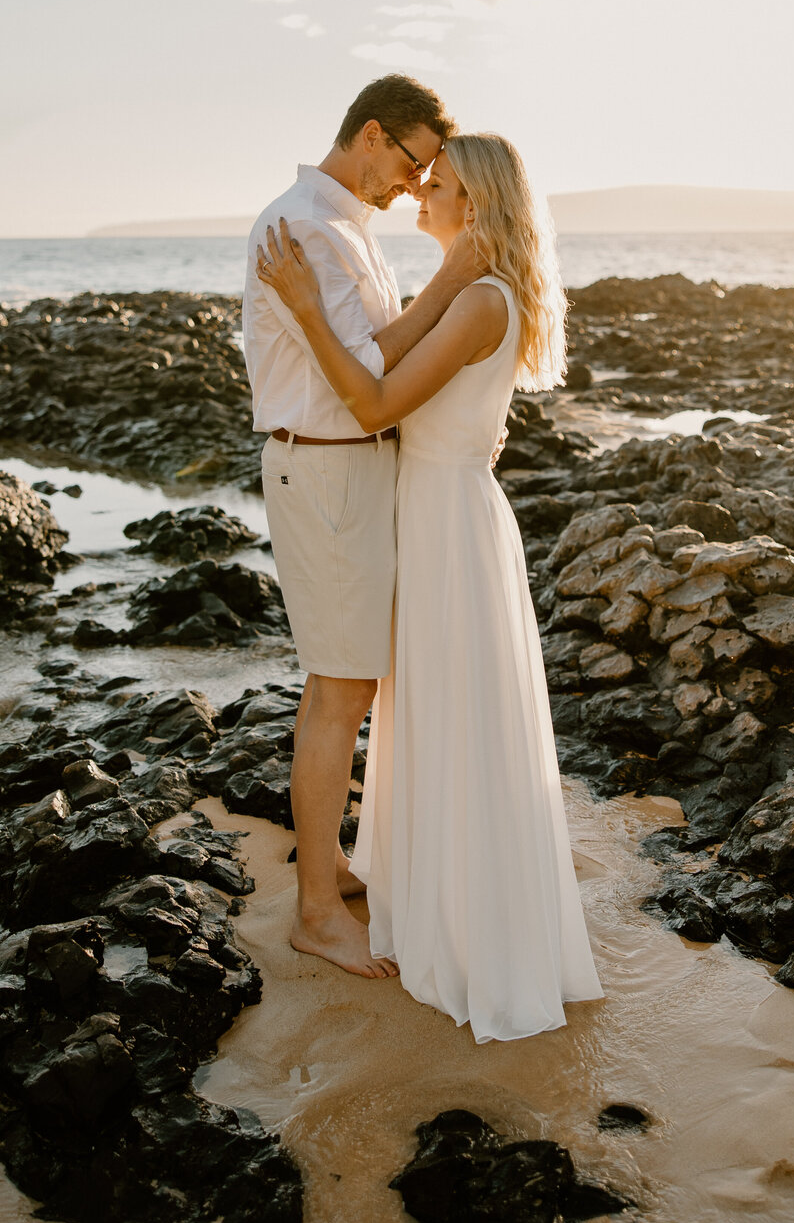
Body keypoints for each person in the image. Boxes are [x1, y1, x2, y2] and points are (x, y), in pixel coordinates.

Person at [257, 133, 602, 1041]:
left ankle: (465, 916)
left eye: (437, 186)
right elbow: (403, 369)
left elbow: (372, 406)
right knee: (441, 711)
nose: (419, 196)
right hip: (440, 513)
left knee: (454, 713)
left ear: (476, 207)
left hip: (449, 525)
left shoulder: (482, 304)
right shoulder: (476, 295)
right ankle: (424, 876)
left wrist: (304, 310)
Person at [243, 76, 486, 981]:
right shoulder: (307, 225)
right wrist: (455, 279)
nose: (416, 186)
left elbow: (383, 350)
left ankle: (330, 867)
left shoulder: (345, 226)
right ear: (374, 135)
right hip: (329, 464)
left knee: (354, 685)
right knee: (338, 692)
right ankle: (314, 913)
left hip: (354, 468)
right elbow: (370, 363)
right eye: (415, 164)